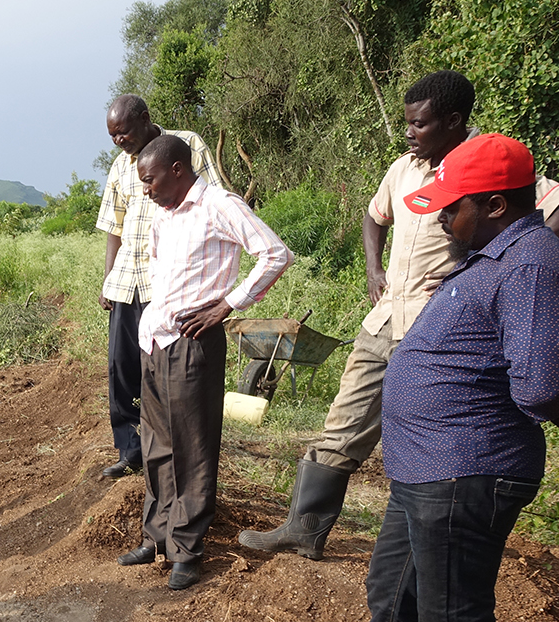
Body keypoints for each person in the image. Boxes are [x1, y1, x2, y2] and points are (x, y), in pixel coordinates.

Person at [302, 134, 559, 622]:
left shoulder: (531, 260)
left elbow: (537, 384)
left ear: (497, 204)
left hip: (467, 470)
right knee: (396, 596)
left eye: (453, 208)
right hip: (426, 471)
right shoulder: (488, 254)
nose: (441, 218)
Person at [239, 71, 480, 560]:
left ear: (454, 121)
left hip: (438, 332)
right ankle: (304, 529)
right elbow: (374, 216)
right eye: (408, 122)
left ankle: (426, 547)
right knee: (343, 421)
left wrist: (474, 279)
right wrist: (374, 269)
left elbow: (546, 208)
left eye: (420, 124)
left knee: (426, 442)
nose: (409, 132)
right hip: (385, 321)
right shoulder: (405, 169)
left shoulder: (485, 165)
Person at [117, 135, 293, 590]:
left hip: (192, 344)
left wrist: (226, 305)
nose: (146, 190)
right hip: (155, 342)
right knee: (156, 444)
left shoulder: (219, 205)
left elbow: (275, 254)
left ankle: (187, 551)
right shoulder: (163, 216)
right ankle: (155, 538)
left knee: (192, 449)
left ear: (177, 169)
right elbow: (163, 276)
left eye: (150, 180)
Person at [95, 94, 221, 479]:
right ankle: (130, 450)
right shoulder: (120, 166)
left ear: (146, 120)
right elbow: (114, 226)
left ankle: (167, 453)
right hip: (126, 283)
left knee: (165, 375)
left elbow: (211, 201)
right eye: (113, 136)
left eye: (124, 132)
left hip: (166, 284)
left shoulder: (187, 145)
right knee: (122, 369)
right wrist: (108, 278)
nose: (119, 141)